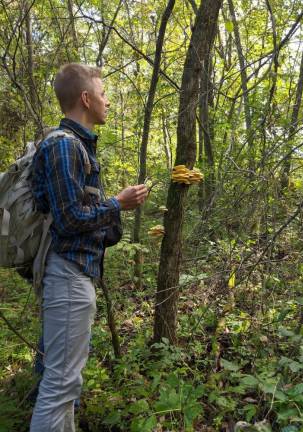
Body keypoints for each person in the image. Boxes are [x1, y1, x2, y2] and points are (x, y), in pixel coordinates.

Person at [30, 63, 148, 432]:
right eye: (103, 93)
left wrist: (113, 210)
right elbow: (69, 221)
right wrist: (117, 203)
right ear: (85, 98)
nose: (107, 101)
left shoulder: (76, 147)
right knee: (60, 385)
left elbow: (76, 214)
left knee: (65, 383)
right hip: (67, 275)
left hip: (72, 275)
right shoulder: (64, 147)